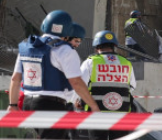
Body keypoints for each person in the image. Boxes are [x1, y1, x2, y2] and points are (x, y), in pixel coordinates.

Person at [8, 10, 101, 139]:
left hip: (28, 103)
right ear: (68, 31)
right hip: (51, 105)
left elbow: (15, 79)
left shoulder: (27, 46)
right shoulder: (64, 50)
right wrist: (93, 106)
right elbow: (76, 82)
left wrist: (12, 105)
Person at [81, 31, 136, 140]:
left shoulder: (91, 62)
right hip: (121, 112)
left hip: (97, 112)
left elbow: (80, 85)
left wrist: (76, 101)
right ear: (113, 46)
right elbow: (132, 86)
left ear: (97, 47)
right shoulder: (126, 63)